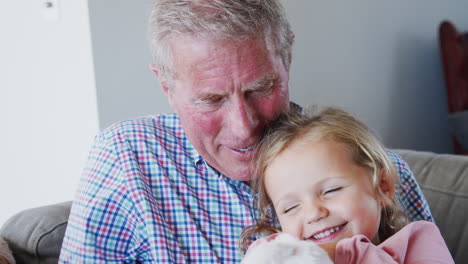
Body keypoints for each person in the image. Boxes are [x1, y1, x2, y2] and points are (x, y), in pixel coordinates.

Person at [59, 0, 433, 263]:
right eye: (211, 99)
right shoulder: (126, 158)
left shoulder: (377, 170)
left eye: (261, 88)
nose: (245, 127)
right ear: (167, 88)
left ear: (286, 60)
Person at [240, 107, 453, 263]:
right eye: (291, 208)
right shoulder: (278, 255)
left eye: (331, 191)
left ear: (383, 186)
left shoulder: (418, 242)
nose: (314, 213)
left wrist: (337, 253)